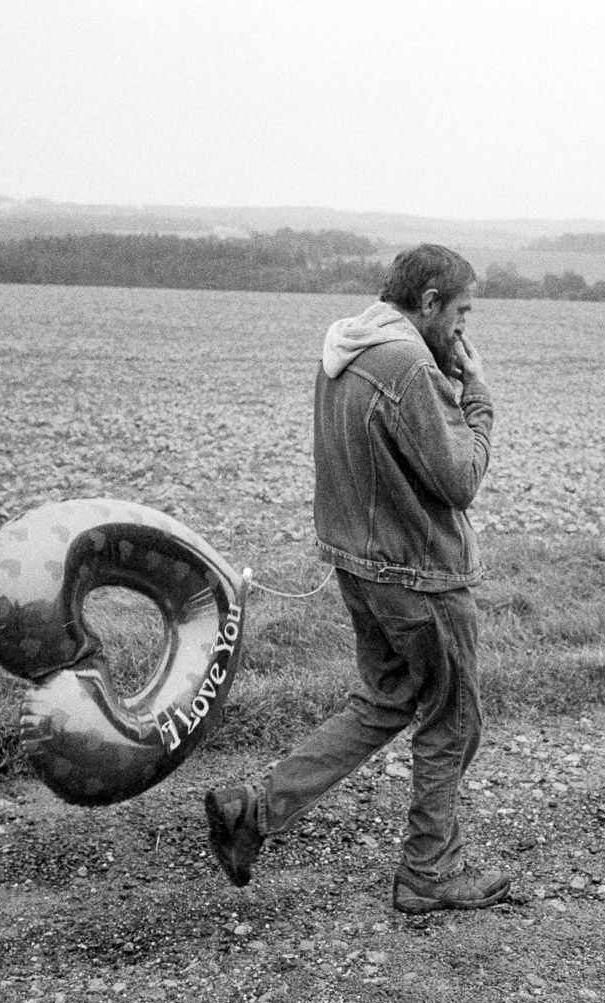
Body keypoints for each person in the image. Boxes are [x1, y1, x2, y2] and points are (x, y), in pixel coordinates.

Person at [205, 243, 510, 914]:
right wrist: (477, 395)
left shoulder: (344, 349)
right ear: (428, 303)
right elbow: (460, 479)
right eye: (460, 312)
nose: (463, 328)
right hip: (420, 577)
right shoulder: (408, 366)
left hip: (359, 568)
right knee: (452, 722)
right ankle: (428, 872)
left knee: (382, 703)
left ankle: (252, 813)